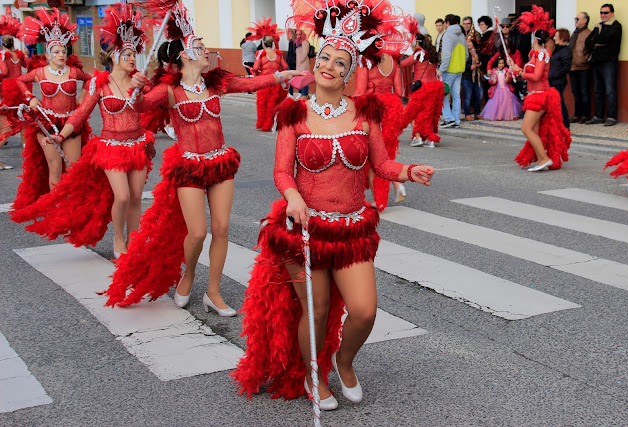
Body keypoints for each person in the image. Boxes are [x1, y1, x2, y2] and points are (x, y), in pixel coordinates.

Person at [231, 0, 434, 409]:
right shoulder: (294, 114)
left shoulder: (365, 114)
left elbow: (381, 164)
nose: (329, 66)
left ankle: (344, 361)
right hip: (304, 229)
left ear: (349, 72)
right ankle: (314, 377)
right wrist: (292, 198)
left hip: (351, 228)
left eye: (340, 62)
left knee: (364, 311)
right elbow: (282, 172)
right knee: (317, 309)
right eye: (324, 57)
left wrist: (409, 171)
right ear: (315, 61)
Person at [103, 6, 302, 311]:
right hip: (189, 167)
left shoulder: (214, 83)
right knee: (197, 232)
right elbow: (140, 107)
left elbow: (247, 84)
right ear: (184, 55)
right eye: (199, 46)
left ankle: (213, 292)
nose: (206, 50)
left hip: (220, 163)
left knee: (221, 229)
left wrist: (280, 75)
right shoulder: (169, 90)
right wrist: (137, 90)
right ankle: (189, 274)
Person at [11, 4, 153, 258]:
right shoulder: (100, 83)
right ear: (115, 57)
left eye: (134, 54)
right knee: (121, 196)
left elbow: (152, 105)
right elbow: (81, 113)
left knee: (135, 196)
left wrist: (142, 90)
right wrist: (61, 135)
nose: (133, 59)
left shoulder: (139, 82)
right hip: (111, 147)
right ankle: (118, 238)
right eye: (128, 54)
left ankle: (134, 240)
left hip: (138, 144)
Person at [9, 7, 92, 219]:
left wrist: (83, 97)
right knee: (54, 166)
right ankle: (57, 207)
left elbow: (90, 80)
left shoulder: (74, 71)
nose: (61, 55)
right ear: (48, 55)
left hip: (71, 122)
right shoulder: (39, 73)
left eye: (63, 51)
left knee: (72, 167)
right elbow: (20, 81)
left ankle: (72, 204)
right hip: (46, 123)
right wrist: (30, 97)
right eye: (56, 52)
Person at [510, 26, 571, 171]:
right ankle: (542, 159)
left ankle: (544, 159)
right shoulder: (536, 54)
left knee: (526, 128)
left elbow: (537, 76)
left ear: (536, 40)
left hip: (539, 96)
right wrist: (516, 68)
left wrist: (520, 73)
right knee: (534, 130)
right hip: (534, 94)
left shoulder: (541, 55)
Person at [353, 51, 406, 210]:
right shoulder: (393, 61)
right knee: (385, 154)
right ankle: (396, 184)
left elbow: (360, 91)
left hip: (373, 110)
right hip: (391, 110)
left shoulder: (365, 59)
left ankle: (379, 200)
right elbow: (399, 92)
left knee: (372, 157)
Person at [401, 33, 444, 146]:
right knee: (428, 115)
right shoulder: (432, 54)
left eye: (412, 43)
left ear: (417, 43)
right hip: (434, 87)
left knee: (412, 113)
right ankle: (429, 140)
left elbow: (403, 64)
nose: (411, 46)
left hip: (421, 88)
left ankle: (418, 137)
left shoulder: (419, 54)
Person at [585, 3, 622, 127]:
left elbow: (607, 39)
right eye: (601, 12)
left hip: (609, 62)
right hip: (596, 62)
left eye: (606, 12)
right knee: (597, 90)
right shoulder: (598, 26)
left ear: (612, 13)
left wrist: (596, 41)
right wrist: (597, 42)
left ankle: (611, 117)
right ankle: (598, 116)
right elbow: (588, 42)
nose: (603, 15)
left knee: (610, 90)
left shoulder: (616, 26)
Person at [248, 19, 288, 132]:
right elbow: (285, 67)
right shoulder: (278, 54)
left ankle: (263, 124)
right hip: (276, 82)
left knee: (263, 105)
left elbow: (255, 67)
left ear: (263, 43)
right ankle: (273, 123)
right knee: (275, 105)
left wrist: (256, 73)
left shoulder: (260, 53)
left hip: (264, 82)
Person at [0, 11, 26, 149]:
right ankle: (25, 142)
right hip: (20, 85)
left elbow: (4, 72)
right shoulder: (19, 54)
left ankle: (3, 136)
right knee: (21, 113)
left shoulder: (3, 56)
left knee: (5, 113)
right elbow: (26, 65)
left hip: (9, 87)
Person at [438, 14, 468, 128]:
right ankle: (456, 120)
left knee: (442, 93)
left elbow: (446, 55)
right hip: (460, 69)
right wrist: (461, 64)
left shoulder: (447, 35)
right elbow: (466, 54)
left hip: (449, 69)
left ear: (447, 23)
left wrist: (441, 69)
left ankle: (448, 118)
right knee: (456, 96)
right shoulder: (462, 34)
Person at [480, 57, 522, 121]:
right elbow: (491, 81)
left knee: (509, 102)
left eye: (502, 63)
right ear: (497, 64)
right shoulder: (494, 71)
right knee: (498, 103)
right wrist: (493, 79)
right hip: (497, 89)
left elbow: (508, 80)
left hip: (506, 89)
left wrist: (508, 74)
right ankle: (498, 115)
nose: (501, 65)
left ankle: (512, 115)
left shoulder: (506, 70)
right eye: (500, 63)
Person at [569, 12, 592, 124]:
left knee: (584, 92)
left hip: (583, 67)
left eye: (577, 19)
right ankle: (577, 114)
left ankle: (585, 114)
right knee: (576, 92)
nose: (575, 21)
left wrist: (585, 59)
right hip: (573, 66)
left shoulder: (589, 33)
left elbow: (590, 49)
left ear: (585, 20)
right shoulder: (574, 33)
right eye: (575, 18)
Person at [548, 29, 572, 130]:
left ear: (562, 38)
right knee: (556, 103)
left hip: (558, 81)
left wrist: (554, 75)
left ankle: (565, 125)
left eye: (556, 36)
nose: (554, 38)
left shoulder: (565, 51)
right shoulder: (557, 49)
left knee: (559, 103)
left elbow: (566, 67)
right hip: (553, 80)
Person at [462, 38, 483, 121]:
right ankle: (467, 114)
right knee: (468, 96)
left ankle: (477, 112)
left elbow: (482, 60)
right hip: (467, 76)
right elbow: (461, 63)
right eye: (466, 42)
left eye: (470, 41)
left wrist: (479, 63)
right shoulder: (463, 52)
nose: (468, 43)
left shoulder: (478, 52)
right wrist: (469, 67)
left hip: (477, 76)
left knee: (479, 94)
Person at [294, 29, 311, 98]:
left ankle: (304, 94)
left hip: (303, 65)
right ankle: (301, 94)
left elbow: (305, 53)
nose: (298, 36)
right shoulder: (298, 43)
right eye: (296, 34)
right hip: (299, 65)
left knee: (304, 80)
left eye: (299, 34)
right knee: (300, 80)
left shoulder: (304, 42)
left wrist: (300, 61)